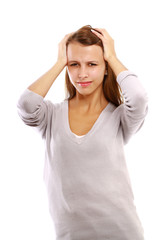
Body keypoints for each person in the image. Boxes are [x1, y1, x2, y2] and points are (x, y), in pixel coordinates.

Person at [17, 25, 148, 240]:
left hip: (122, 233)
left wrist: (112, 57)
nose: (82, 73)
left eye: (92, 64)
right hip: (70, 235)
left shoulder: (120, 117)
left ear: (106, 67)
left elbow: (139, 97)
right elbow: (26, 104)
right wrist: (60, 62)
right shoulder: (51, 115)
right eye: (74, 64)